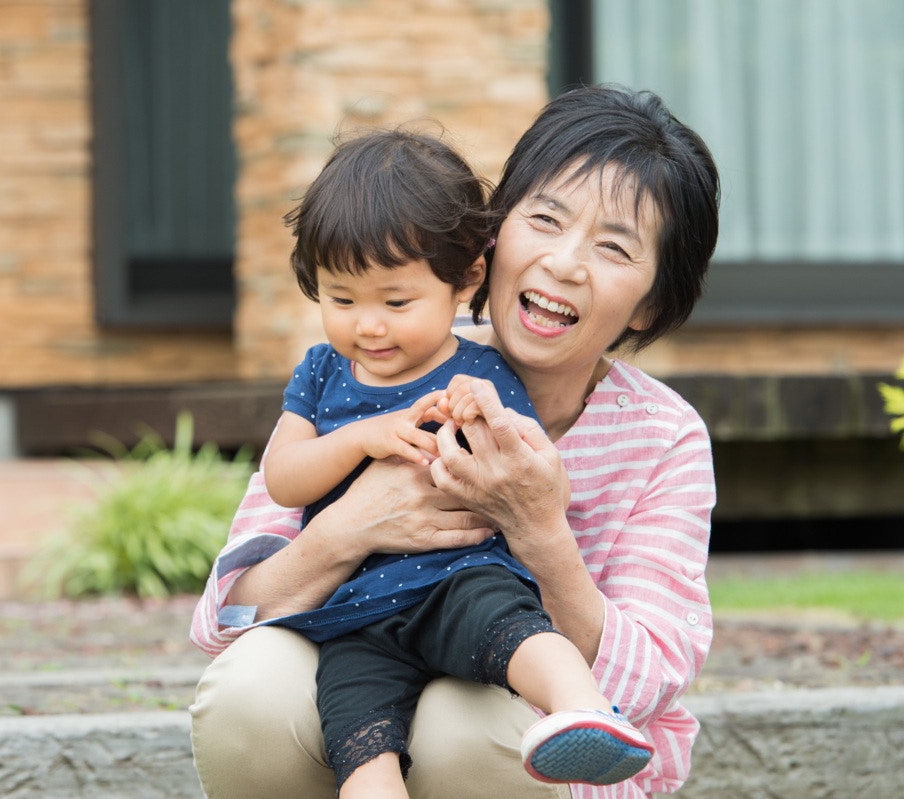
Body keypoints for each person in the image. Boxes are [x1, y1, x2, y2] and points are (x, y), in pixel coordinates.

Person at [190, 84, 720, 799]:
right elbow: (225, 617)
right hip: (365, 652)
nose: (564, 262)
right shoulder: (381, 370)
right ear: (493, 236)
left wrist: (540, 529)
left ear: (654, 298)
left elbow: (650, 677)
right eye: (545, 217)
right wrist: (350, 525)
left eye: (614, 246)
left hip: (524, 737)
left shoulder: (664, 439)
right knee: (252, 686)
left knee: (458, 724)